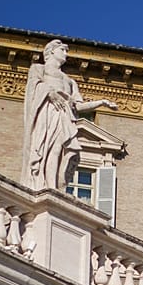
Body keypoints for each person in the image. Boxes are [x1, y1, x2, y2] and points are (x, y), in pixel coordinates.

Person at [20, 39, 117, 190]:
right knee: (46, 147)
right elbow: (33, 87)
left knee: (59, 150)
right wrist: (50, 93)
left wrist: (101, 102)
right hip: (47, 112)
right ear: (51, 51)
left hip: (65, 115)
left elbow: (78, 106)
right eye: (62, 50)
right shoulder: (39, 69)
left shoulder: (70, 82)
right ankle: (45, 185)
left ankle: (54, 187)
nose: (66, 54)